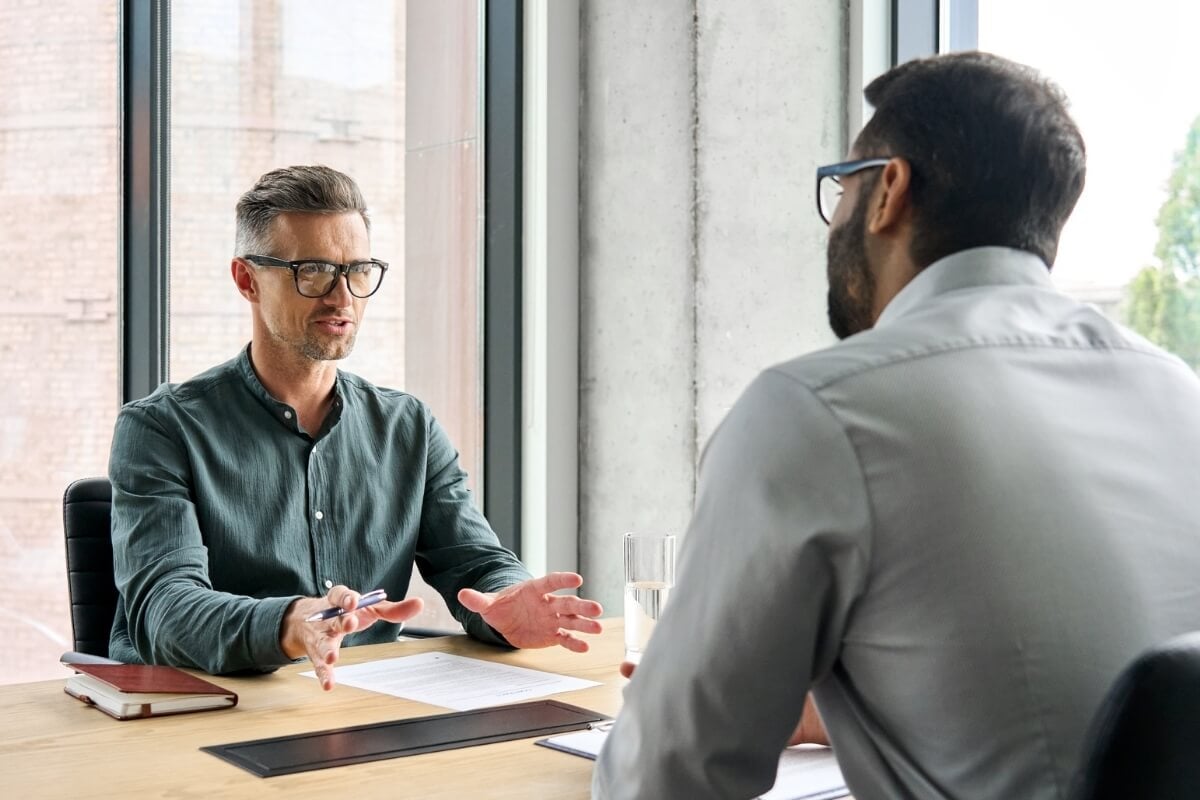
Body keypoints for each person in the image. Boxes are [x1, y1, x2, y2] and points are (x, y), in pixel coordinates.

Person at [593, 51, 1200, 799]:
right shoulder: (1177, 392)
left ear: (888, 191)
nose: (835, 222)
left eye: (839, 188)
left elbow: (663, 780)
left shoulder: (819, 411)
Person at [108, 165, 602, 689]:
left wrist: (505, 600)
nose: (342, 297)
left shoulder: (407, 426)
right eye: (314, 270)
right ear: (246, 279)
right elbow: (164, 609)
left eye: (358, 270)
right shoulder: (161, 429)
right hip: (202, 720)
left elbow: (475, 565)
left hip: (360, 711)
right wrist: (290, 625)